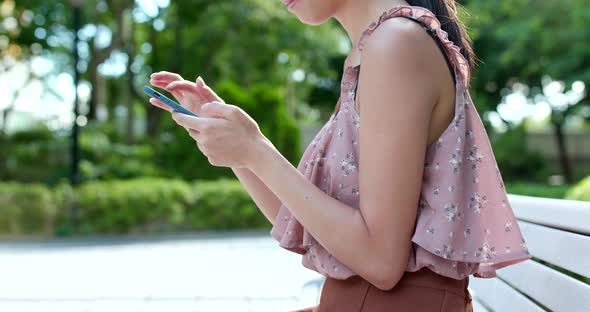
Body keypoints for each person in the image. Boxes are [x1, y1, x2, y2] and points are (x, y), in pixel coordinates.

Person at [148, 0, 533, 311]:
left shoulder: (396, 44)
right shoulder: (374, 49)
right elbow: (309, 224)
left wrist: (256, 149)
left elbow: (381, 263)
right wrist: (241, 151)